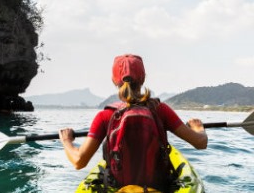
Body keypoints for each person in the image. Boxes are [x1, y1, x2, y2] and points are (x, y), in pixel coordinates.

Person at [58, 54, 208, 180]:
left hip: (120, 189)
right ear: (143, 79)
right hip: (158, 186)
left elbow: (79, 161)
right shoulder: (160, 109)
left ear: (113, 81)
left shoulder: (105, 116)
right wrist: (198, 127)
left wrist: (66, 141)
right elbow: (200, 143)